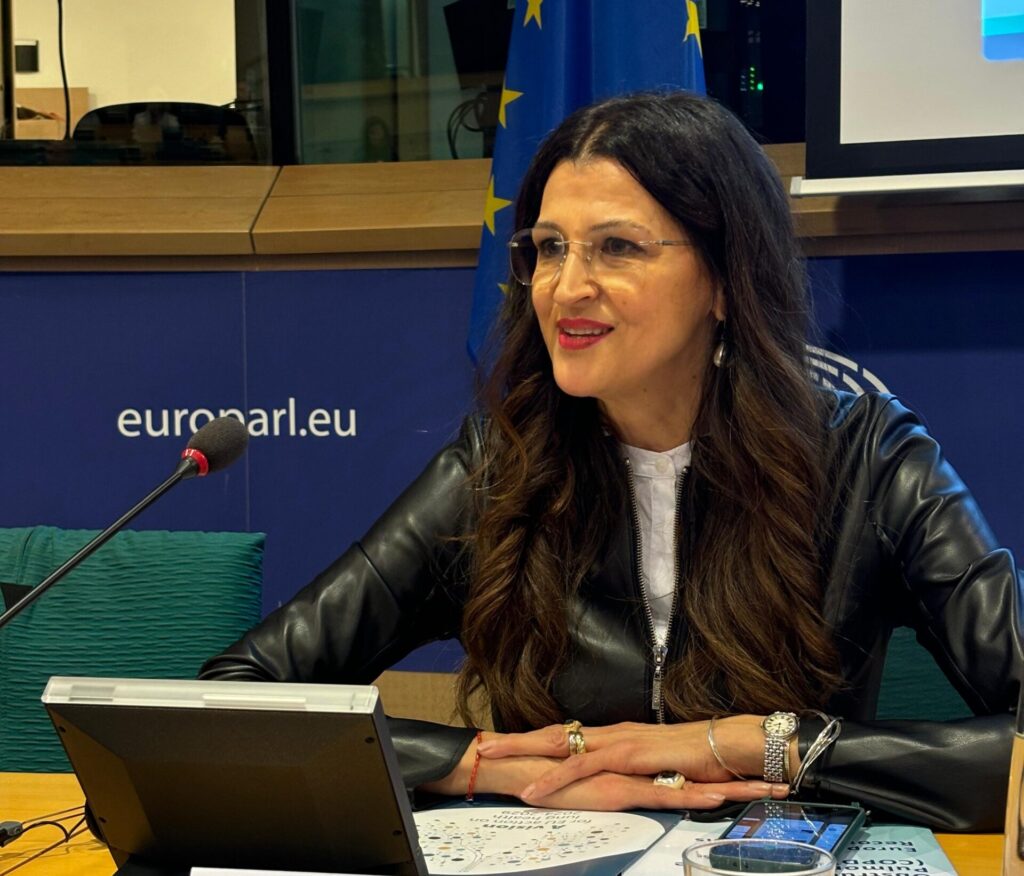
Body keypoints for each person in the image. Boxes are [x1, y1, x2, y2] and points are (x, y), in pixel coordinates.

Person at [199, 90, 1022, 832]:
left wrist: (767, 744)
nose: (566, 287)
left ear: (724, 280)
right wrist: (474, 764)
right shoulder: (496, 470)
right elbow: (232, 698)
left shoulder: (869, 461)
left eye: (617, 247)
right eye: (550, 248)